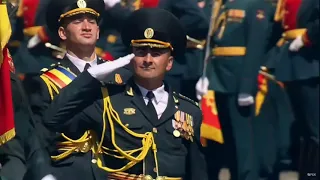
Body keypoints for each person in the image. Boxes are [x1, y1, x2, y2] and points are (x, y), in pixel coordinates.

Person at [41, 8, 208, 180]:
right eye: (141, 52)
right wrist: (90, 78)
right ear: (131, 58)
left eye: (156, 53)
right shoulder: (108, 101)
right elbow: (52, 119)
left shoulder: (189, 110)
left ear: (169, 63)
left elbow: (197, 171)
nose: (148, 60)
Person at [22, 0, 132, 179]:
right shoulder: (45, 82)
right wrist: (44, 175)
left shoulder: (121, 76)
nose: (87, 27)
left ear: (98, 31)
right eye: (78, 21)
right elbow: (36, 139)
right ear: (62, 33)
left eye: (92, 21)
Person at [196, 0, 283, 179]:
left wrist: (247, 85)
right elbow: (213, 44)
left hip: (239, 80)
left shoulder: (256, 4)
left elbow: (255, 47)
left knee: (244, 143)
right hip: (220, 79)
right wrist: (206, 74)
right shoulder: (224, 5)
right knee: (230, 141)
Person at [269, 0, 319, 179]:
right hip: (291, 62)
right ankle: (307, 174)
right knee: (303, 129)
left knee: (315, 130)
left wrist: (308, 38)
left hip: (311, 61)